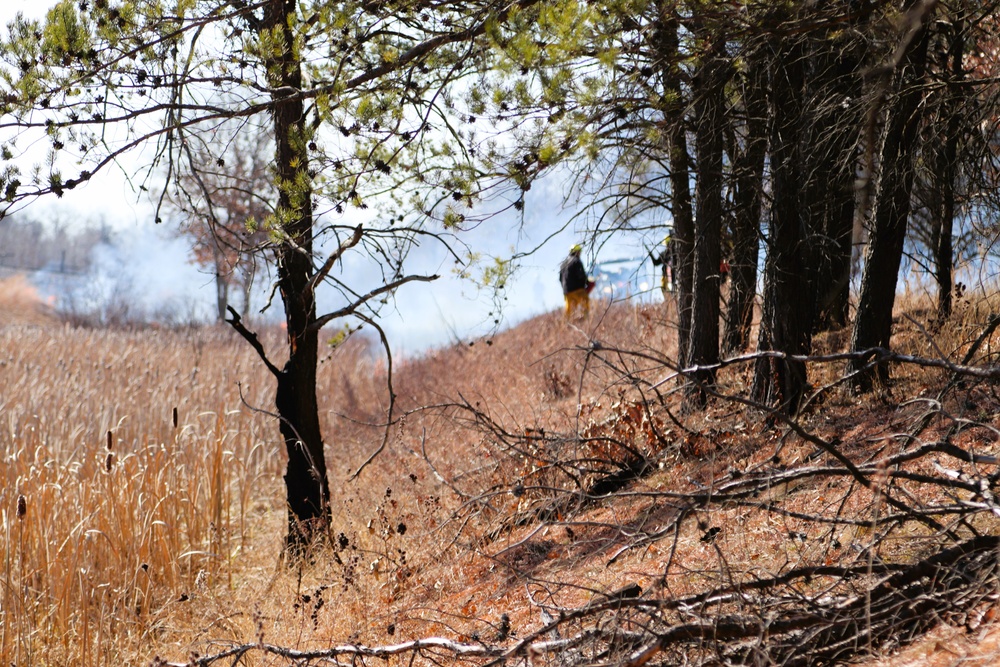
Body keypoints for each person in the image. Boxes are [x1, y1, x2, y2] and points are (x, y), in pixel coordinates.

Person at [559, 244, 594, 319]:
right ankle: (586, 319)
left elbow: (560, 278)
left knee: (569, 310)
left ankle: (567, 323)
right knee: (585, 303)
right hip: (578, 290)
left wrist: (565, 289)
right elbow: (581, 275)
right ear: (577, 252)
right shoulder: (576, 261)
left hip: (567, 291)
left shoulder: (563, 264)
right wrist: (588, 283)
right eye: (579, 252)